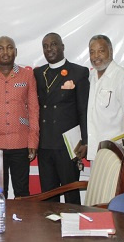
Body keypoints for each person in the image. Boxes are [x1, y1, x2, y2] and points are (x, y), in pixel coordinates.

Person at [0, 36, 39, 198]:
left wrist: (33, 140)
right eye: (0, 48)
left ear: (15, 52)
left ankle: (22, 222)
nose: (5, 52)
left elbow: (33, 109)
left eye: (9, 47)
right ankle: (0, 223)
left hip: (20, 142)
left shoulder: (27, 76)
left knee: (22, 191)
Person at [34, 33, 89, 204]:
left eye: (53, 44)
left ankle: (73, 230)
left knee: (71, 194)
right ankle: (51, 229)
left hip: (68, 145)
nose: (49, 49)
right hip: (44, 144)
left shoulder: (79, 72)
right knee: (48, 196)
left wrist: (85, 140)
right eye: (45, 46)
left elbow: (83, 110)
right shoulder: (37, 73)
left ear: (62, 46)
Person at [88, 35, 124, 163]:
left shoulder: (122, 77)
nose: (96, 56)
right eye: (92, 52)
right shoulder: (90, 77)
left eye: (101, 51)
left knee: (113, 183)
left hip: (114, 150)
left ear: (111, 51)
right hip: (94, 149)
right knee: (96, 183)